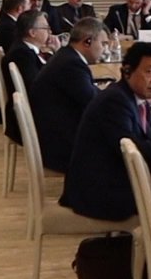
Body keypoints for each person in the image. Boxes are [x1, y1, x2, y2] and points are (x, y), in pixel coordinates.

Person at [60, 41, 151, 221]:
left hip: (112, 183)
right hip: (98, 194)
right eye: (149, 72)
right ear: (128, 71)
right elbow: (141, 150)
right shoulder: (115, 101)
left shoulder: (130, 96)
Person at [31, 19, 105, 174]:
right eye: (102, 43)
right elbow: (94, 104)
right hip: (64, 148)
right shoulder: (71, 65)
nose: (104, 49)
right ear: (88, 41)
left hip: (56, 137)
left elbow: (90, 96)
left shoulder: (67, 56)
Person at [2, 12, 53, 146]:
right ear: (32, 32)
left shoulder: (25, 49)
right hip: (29, 118)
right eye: (46, 28)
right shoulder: (22, 54)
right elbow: (35, 88)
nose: (50, 32)